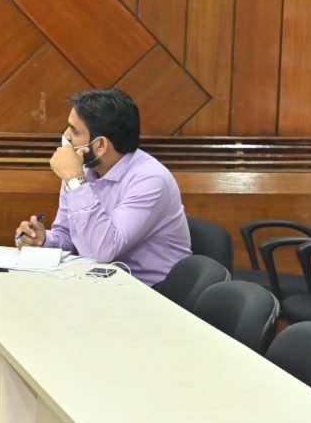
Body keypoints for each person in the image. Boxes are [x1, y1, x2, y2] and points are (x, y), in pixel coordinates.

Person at [14, 89, 190, 285]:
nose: (66, 136)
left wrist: (75, 180)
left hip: (152, 291)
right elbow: (70, 237)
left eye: (74, 130)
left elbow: (102, 251)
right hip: (101, 284)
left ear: (100, 145)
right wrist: (43, 240)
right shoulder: (81, 169)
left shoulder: (150, 180)